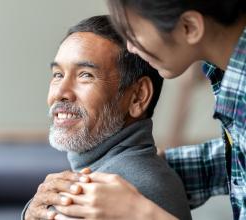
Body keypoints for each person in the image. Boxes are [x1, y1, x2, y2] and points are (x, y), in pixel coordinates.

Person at [48, 1, 246, 219]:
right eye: (57, 74)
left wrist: (140, 210)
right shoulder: (224, 74)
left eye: (133, 32)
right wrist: (145, 170)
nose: (131, 47)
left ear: (189, 27)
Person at [23, 15, 191, 220]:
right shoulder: (143, 172)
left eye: (85, 75)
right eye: (58, 74)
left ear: (138, 97)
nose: (60, 93)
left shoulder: (102, 199)